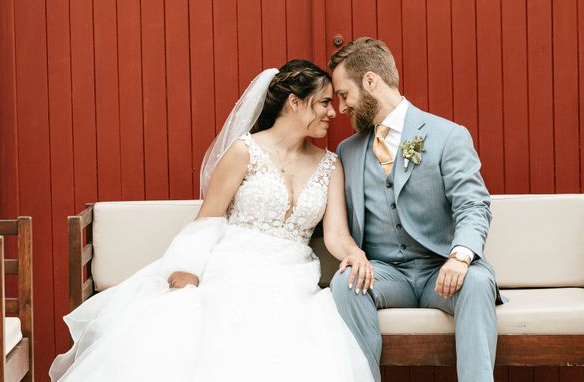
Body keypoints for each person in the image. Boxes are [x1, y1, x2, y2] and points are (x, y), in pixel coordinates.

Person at [49, 60, 375, 382]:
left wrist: (354, 253)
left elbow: (335, 234)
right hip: (233, 265)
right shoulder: (244, 152)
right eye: (324, 102)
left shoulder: (329, 165)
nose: (333, 112)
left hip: (293, 277)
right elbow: (208, 218)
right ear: (294, 102)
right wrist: (187, 268)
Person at [328, 38, 502, 382]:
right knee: (345, 283)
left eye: (344, 94)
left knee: (478, 280)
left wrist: (461, 256)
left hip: (440, 268)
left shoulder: (447, 135)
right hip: (385, 273)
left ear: (370, 82)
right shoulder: (347, 151)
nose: (342, 107)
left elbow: (473, 203)